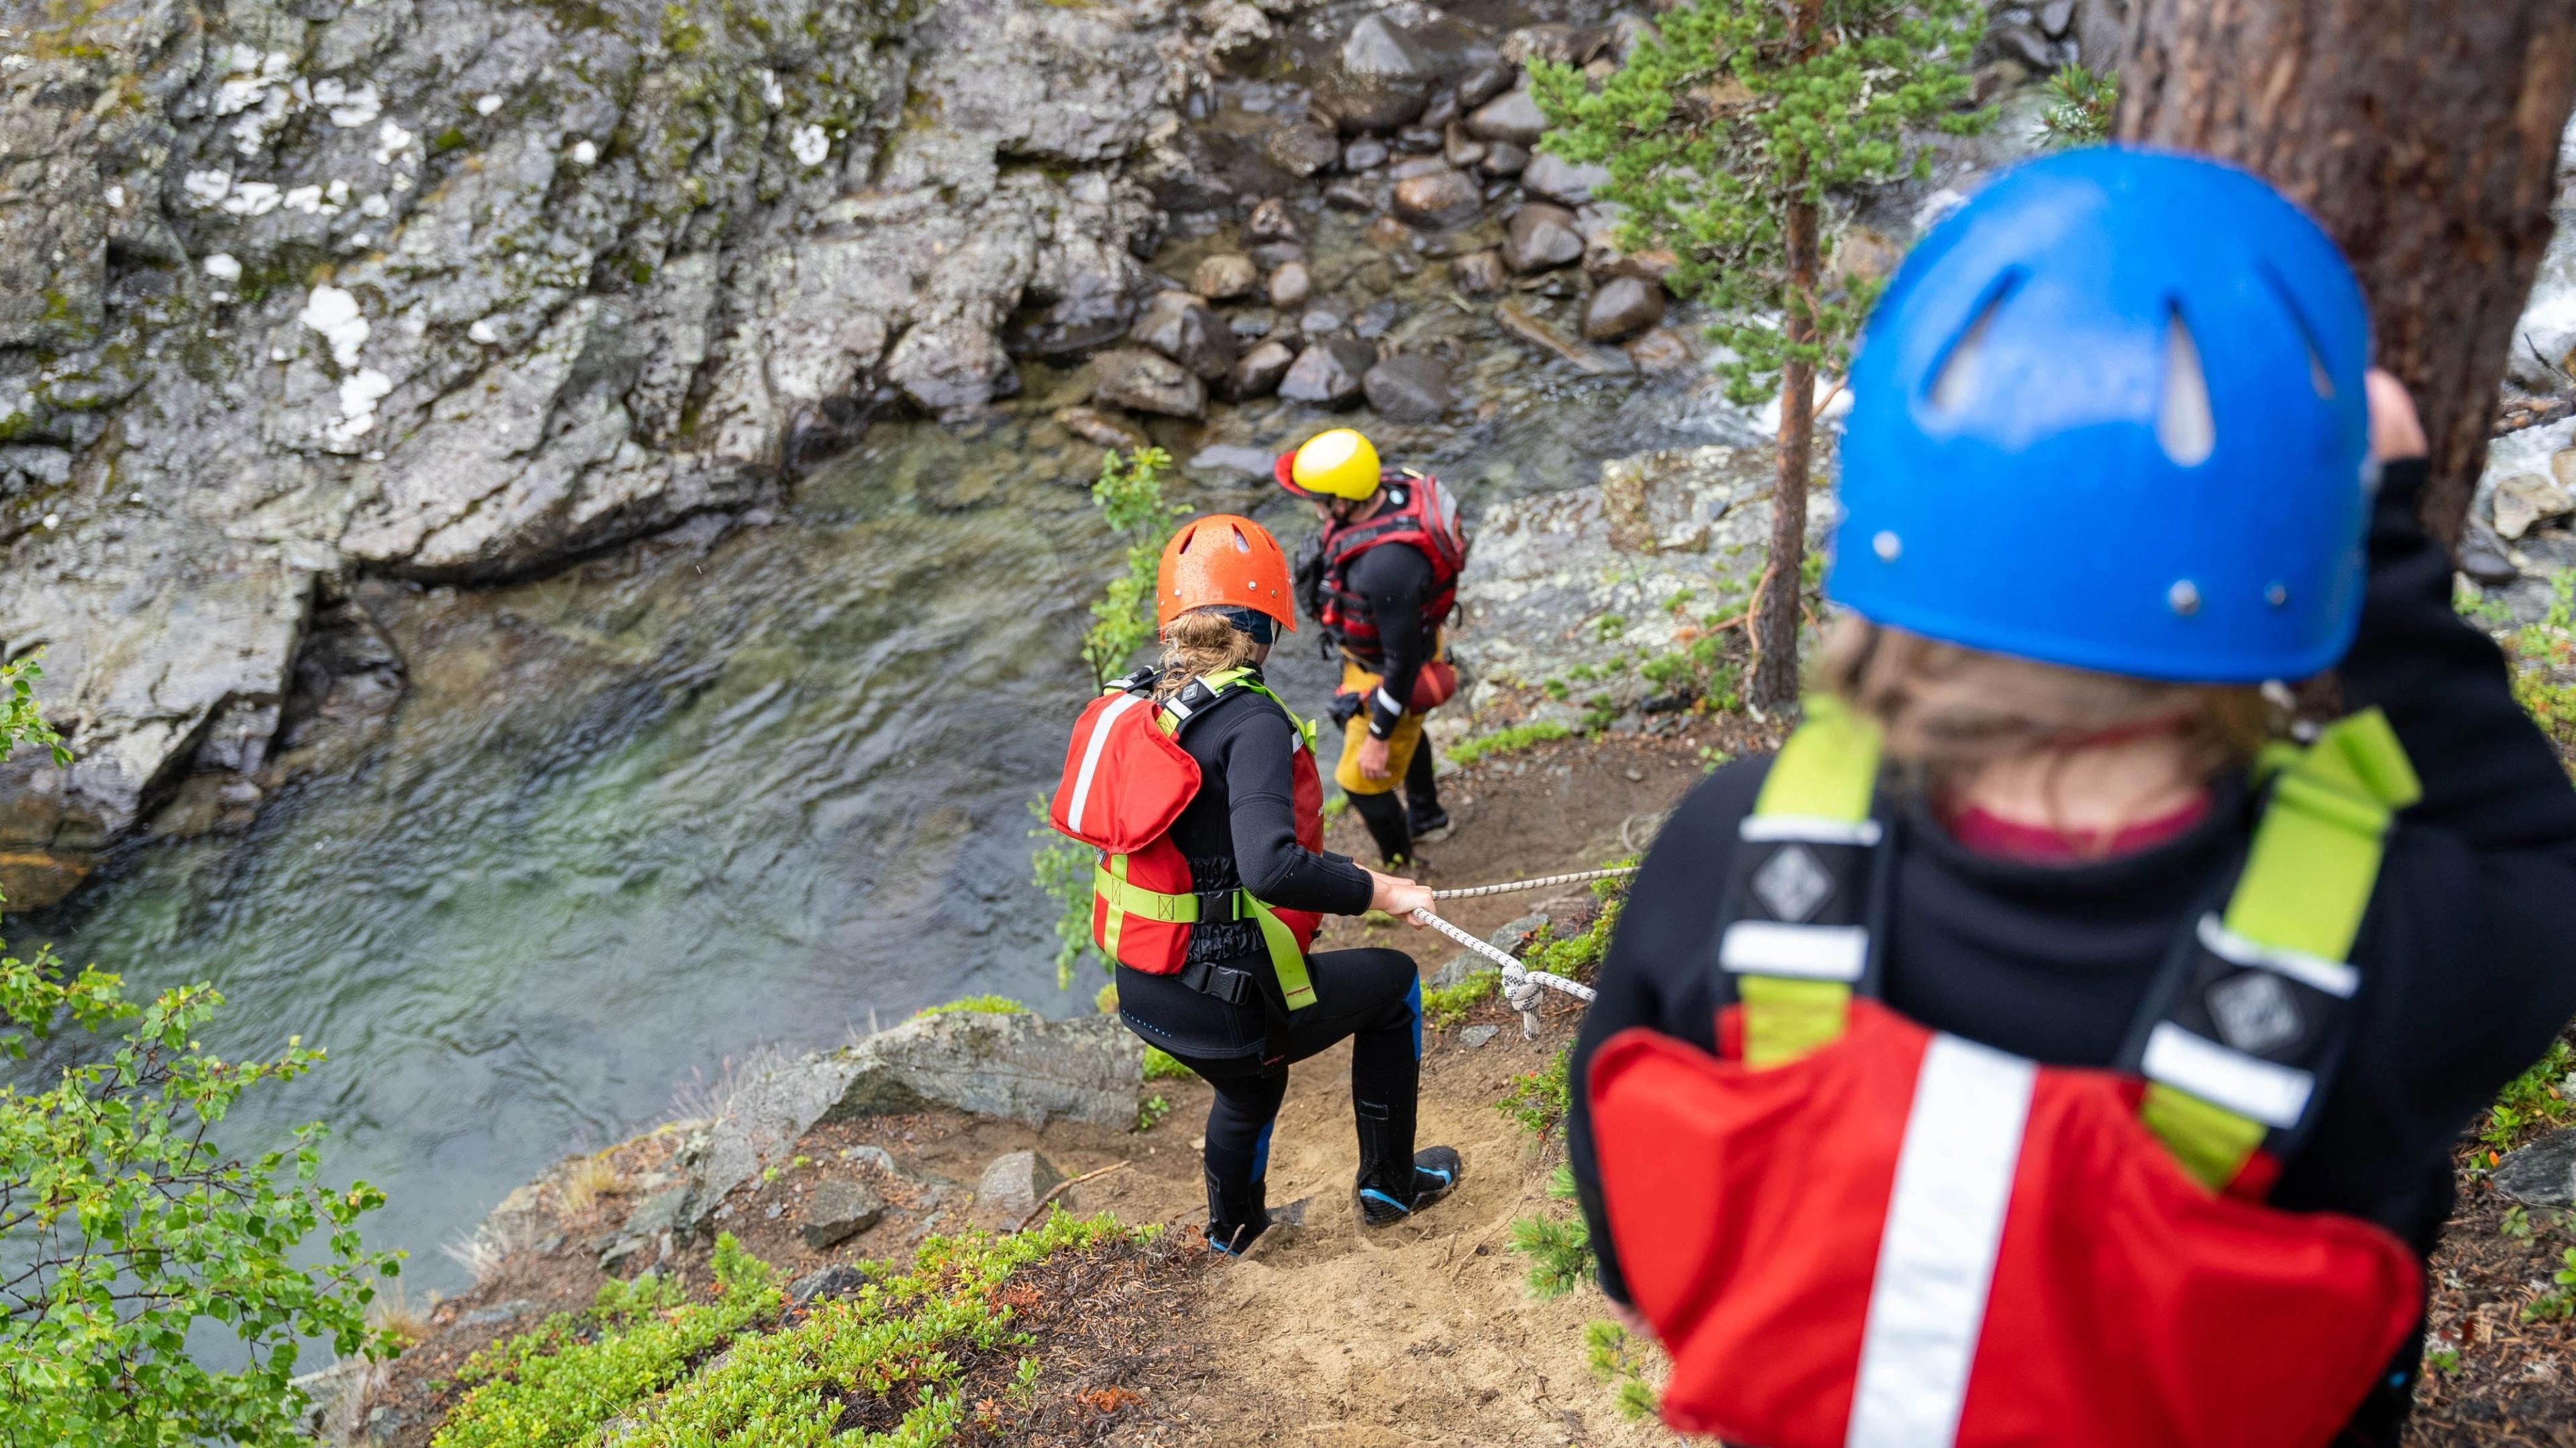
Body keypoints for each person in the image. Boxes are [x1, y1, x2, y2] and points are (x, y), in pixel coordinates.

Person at [1565, 148, 2576, 1448]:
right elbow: (2537, 855)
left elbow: (1627, 1225)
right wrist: (2380, 548)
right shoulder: (2398, 939)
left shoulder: (1737, 843)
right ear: (2295, 556)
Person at [1052, 512, 1465, 1255]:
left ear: (1176, 620)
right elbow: (1271, 867)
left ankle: (1234, 1233)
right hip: (1225, 1001)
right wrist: (1384, 889)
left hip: (1146, 987)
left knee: (1248, 1088)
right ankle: (1389, 1186)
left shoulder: (1143, 700)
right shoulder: (1252, 722)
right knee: (1394, 984)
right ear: (1267, 623)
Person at [1275, 429, 1469, 867]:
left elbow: (1402, 665)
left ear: (1343, 502)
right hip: (1386, 648)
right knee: (1411, 728)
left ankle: (1401, 862)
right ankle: (1429, 816)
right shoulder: (1383, 493)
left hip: (1392, 667)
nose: (1315, 506)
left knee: (1359, 781)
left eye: (1319, 498)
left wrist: (1379, 735)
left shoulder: (1386, 567)